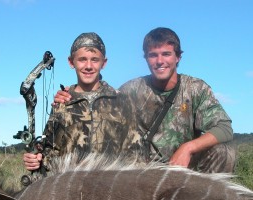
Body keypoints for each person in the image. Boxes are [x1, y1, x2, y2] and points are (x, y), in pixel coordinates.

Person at [55, 27, 235, 173]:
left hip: (184, 167)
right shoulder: (130, 90)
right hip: (142, 172)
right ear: (146, 58)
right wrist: (70, 95)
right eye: (153, 55)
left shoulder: (196, 88)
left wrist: (187, 148)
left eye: (166, 54)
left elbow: (224, 128)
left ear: (178, 57)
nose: (159, 61)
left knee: (223, 152)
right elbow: (98, 98)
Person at [23, 32, 139, 174]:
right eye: (82, 60)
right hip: (68, 188)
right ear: (71, 62)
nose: (88, 66)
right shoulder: (62, 103)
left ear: (104, 63)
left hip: (111, 189)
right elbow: (49, 151)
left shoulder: (121, 102)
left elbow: (134, 153)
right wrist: (36, 159)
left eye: (95, 60)